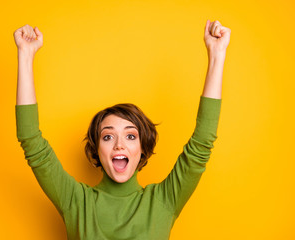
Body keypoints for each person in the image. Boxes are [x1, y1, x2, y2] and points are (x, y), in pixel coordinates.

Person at [13, 19, 231, 240]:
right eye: (108, 136)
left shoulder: (163, 201)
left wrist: (217, 54)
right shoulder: (76, 201)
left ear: (142, 148)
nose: (119, 144)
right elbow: (31, 140)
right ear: (96, 149)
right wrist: (25, 54)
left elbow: (201, 145)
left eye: (130, 136)